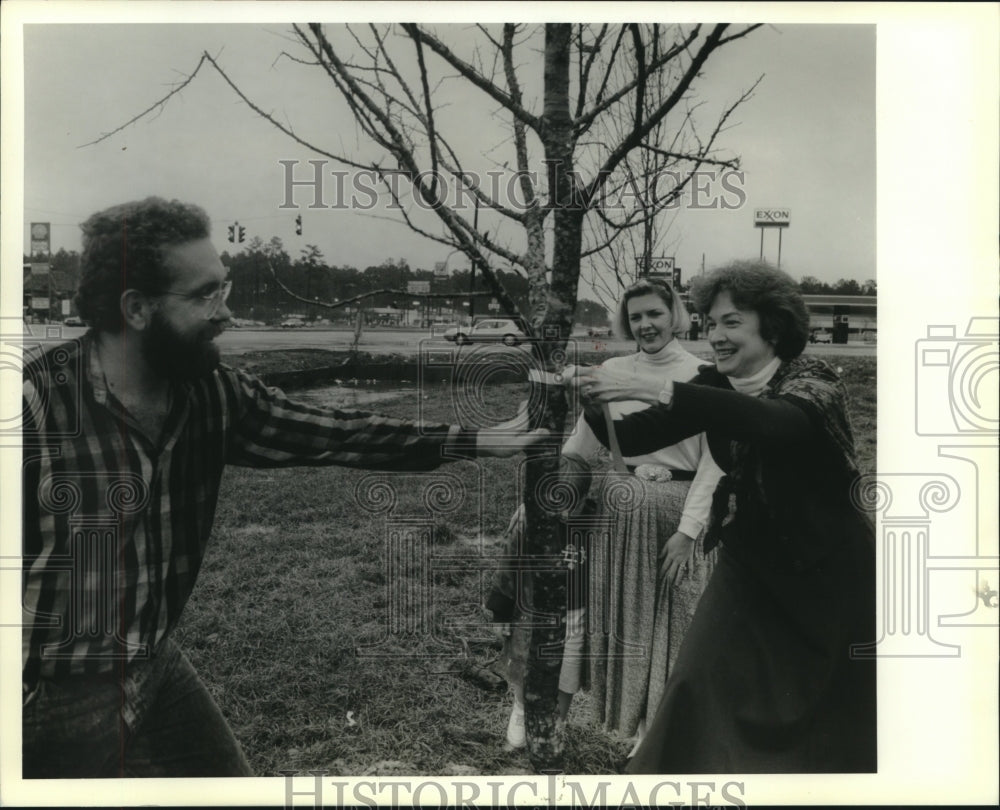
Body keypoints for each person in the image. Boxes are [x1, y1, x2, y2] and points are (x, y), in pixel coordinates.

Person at [20, 197, 547, 779]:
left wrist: (476, 441)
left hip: (153, 661)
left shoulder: (213, 396)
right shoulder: (35, 409)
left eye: (225, 287)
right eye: (206, 295)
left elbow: (339, 434)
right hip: (54, 693)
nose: (229, 313)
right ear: (137, 308)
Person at [577, 260, 876, 773]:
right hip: (750, 565)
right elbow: (631, 439)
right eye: (710, 323)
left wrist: (665, 390)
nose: (715, 335)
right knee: (695, 681)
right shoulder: (712, 382)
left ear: (773, 326)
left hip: (830, 574)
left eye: (731, 322)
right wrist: (587, 401)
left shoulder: (814, 382)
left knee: (832, 720)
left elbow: (776, 423)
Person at [494, 278, 723, 756]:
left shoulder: (705, 374)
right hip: (618, 510)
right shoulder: (612, 371)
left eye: (655, 314)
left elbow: (713, 463)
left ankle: (650, 737)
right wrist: (542, 498)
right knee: (574, 613)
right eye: (636, 317)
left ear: (674, 315)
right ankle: (534, 709)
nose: (646, 324)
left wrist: (689, 532)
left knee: (667, 629)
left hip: (676, 515)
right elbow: (580, 451)